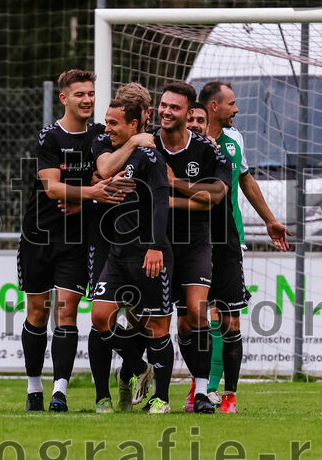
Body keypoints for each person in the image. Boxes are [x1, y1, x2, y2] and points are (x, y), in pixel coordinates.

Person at [15, 69, 129, 412]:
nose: (87, 100)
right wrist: (91, 191)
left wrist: (88, 195)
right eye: (80, 94)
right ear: (63, 98)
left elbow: (109, 171)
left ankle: (59, 392)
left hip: (77, 239)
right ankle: (34, 385)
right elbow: (51, 188)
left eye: (91, 93)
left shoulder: (99, 135)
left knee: (67, 312)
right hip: (38, 235)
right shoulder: (49, 137)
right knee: (37, 312)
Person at [201, 81, 291, 412]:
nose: (236, 109)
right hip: (194, 241)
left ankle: (224, 394)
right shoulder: (191, 142)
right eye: (232, 104)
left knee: (228, 319)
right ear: (214, 106)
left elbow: (245, 179)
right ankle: (204, 388)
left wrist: (269, 219)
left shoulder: (235, 139)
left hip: (229, 240)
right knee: (195, 319)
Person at [90, 97, 175, 414]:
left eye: (114, 123)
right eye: (107, 121)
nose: (107, 128)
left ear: (134, 125)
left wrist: (154, 245)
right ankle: (138, 367)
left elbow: (161, 200)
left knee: (157, 329)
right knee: (100, 317)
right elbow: (105, 172)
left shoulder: (150, 155)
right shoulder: (117, 151)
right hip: (118, 254)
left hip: (150, 253)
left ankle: (161, 399)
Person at [149, 82, 229, 414]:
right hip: (156, 244)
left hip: (196, 243)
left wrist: (171, 186)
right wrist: (185, 199)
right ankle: (157, 393)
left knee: (196, 314)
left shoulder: (206, 149)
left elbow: (215, 195)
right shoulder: (146, 144)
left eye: (174, 108)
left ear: (188, 112)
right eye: (163, 105)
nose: (166, 111)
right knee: (155, 323)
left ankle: (200, 392)